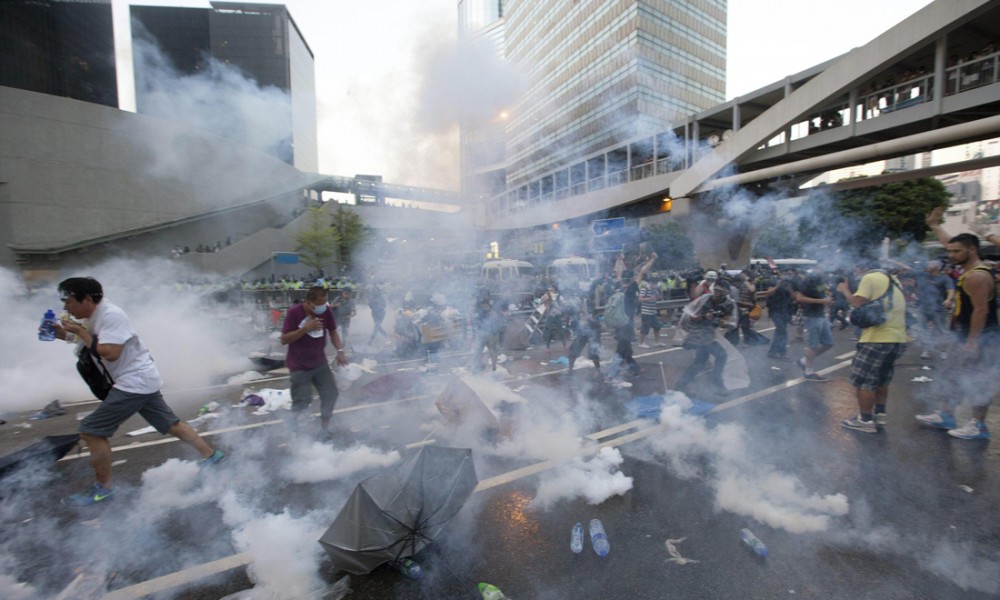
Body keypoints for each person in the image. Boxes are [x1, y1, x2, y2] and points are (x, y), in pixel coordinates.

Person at [53, 277, 225, 507]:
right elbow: (88, 342)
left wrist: (80, 332)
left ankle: (102, 490)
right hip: (142, 380)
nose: (66, 308)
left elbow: (110, 352)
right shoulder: (93, 317)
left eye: (69, 302)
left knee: (92, 431)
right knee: (171, 424)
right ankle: (211, 456)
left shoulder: (111, 315)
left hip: (134, 382)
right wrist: (62, 334)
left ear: (87, 299)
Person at [914, 209, 998, 440]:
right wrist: (935, 226)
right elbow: (952, 244)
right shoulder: (967, 267)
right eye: (949, 251)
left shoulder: (977, 276)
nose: (950, 255)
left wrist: (971, 343)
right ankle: (946, 414)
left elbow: (981, 311)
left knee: (978, 379)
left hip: (981, 337)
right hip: (962, 335)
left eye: (956, 251)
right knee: (950, 374)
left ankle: (978, 425)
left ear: (972, 250)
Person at [836, 263, 908, 433]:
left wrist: (844, 290)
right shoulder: (894, 280)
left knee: (864, 381)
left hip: (878, 338)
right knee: (882, 379)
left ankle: (865, 420)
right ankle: (880, 415)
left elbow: (857, 302)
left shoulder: (870, 278)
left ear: (861, 268)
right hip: (898, 338)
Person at [281, 286, 349, 439]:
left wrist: (340, 350)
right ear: (308, 302)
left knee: (331, 394)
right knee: (302, 401)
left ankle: (324, 429)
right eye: (319, 302)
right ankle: (294, 432)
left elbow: (332, 331)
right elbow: (284, 339)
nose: (323, 305)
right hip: (299, 366)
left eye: (325, 301)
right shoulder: (294, 312)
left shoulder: (325, 311)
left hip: (319, 363)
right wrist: (305, 328)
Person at [675, 280, 735, 396]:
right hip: (698, 332)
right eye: (715, 290)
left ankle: (681, 385)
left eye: (720, 291)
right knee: (721, 355)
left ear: (726, 292)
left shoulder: (728, 304)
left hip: (709, 332)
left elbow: (727, 321)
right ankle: (716, 382)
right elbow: (692, 317)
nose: (716, 293)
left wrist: (724, 322)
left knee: (700, 362)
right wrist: (705, 317)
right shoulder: (706, 300)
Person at [612, 253, 657, 378]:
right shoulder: (632, 289)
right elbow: (642, 272)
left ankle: (635, 369)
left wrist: (619, 259)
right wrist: (652, 259)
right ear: (631, 279)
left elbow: (618, 271)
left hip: (618, 324)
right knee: (621, 351)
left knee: (627, 349)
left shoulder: (618, 285)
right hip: (626, 325)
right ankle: (611, 375)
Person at [794, 271, 834, 382]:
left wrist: (827, 297)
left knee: (828, 343)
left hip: (821, 315)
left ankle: (803, 361)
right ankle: (808, 372)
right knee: (813, 345)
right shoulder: (807, 282)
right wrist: (821, 301)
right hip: (811, 316)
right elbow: (800, 298)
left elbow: (823, 292)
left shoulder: (820, 281)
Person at [760, 272, 796, 359]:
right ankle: (776, 352)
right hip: (775, 311)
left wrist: (789, 289)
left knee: (781, 332)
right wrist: (777, 286)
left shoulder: (789, 284)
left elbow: (794, 297)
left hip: (785, 311)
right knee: (782, 331)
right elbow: (768, 293)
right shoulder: (774, 282)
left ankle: (778, 352)